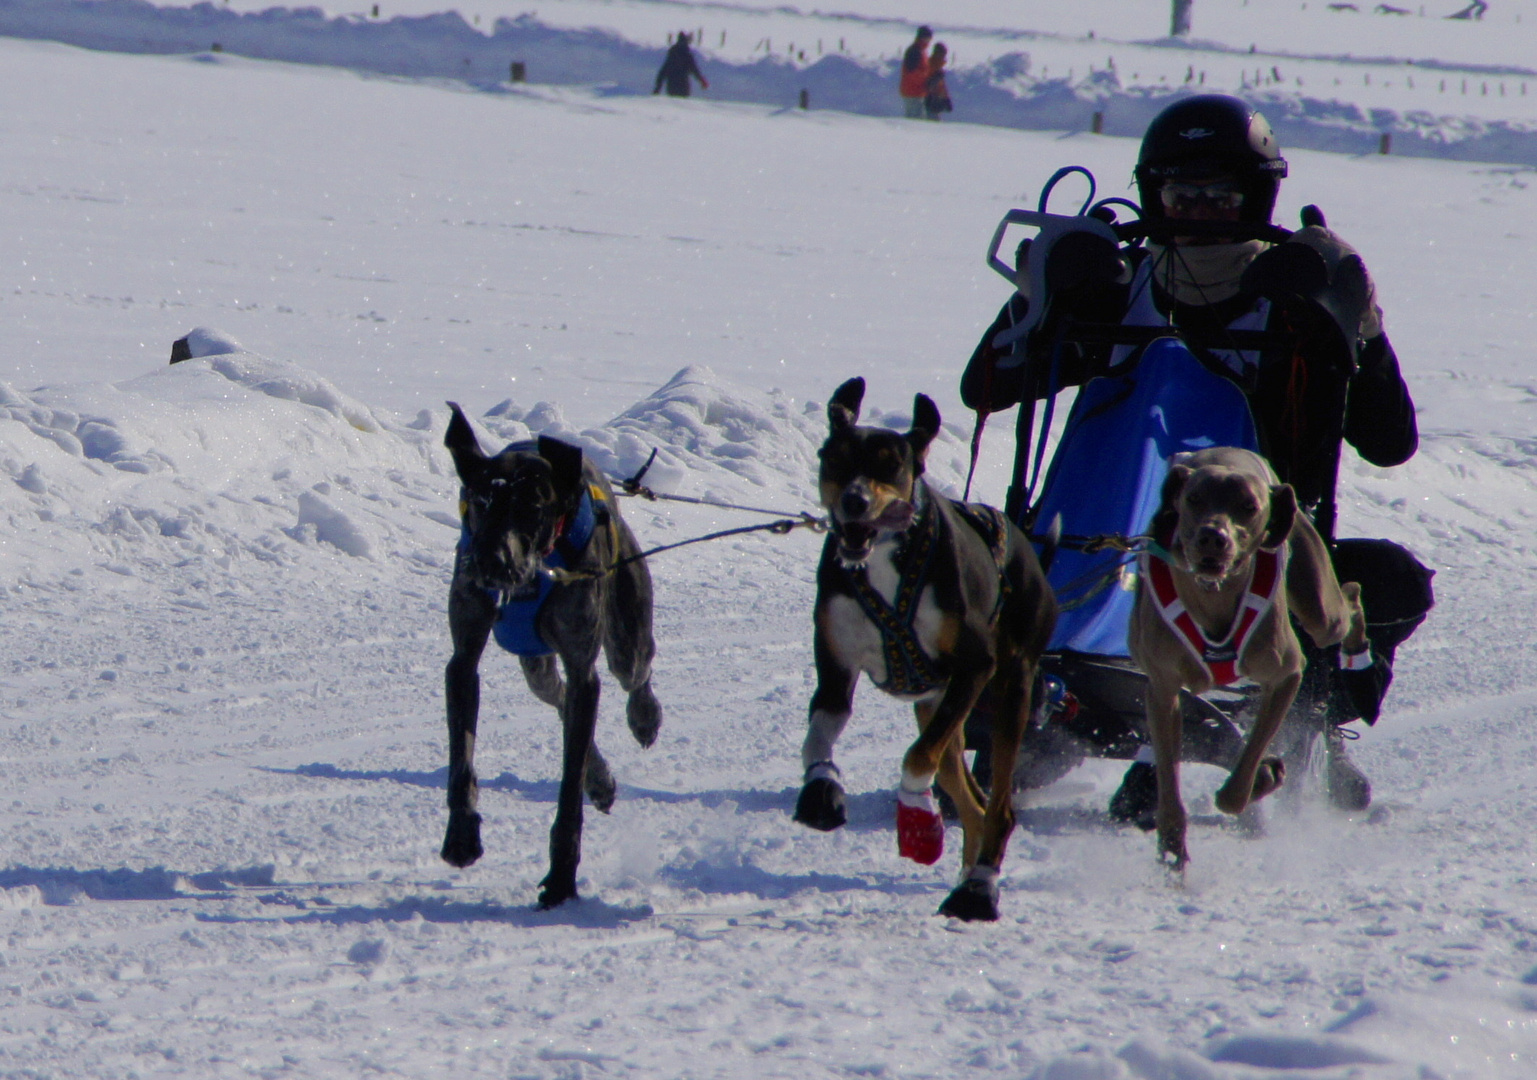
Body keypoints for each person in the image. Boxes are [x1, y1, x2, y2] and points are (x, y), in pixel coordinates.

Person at [960, 95, 1424, 820]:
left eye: (1219, 196)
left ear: (1256, 196)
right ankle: (1053, 710)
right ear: (1154, 194)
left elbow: (1390, 444)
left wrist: (1356, 325)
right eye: (1183, 195)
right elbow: (983, 391)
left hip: (1250, 566)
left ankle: (1306, 726)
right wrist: (1040, 297)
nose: (1200, 212)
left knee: (1393, 580)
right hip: (1096, 552)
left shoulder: (1294, 294)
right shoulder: (1118, 287)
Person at [654, 31, 709, 97]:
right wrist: (702, 81)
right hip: (683, 85)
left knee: (673, 104)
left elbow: (664, 71)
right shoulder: (687, 54)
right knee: (681, 104)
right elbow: (694, 70)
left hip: (671, 86)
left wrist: (658, 87)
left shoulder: (672, 54)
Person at [899, 26, 933, 119]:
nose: (929, 41)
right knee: (916, 122)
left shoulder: (922, 51)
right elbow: (912, 72)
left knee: (917, 119)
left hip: (917, 92)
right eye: (927, 38)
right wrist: (926, 81)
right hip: (912, 92)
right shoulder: (914, 51)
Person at [924, 43, 953, 121]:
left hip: (936, 102)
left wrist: (946, 99)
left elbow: (942, 87)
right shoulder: (930, 65)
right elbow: (927, 83)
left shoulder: (938, 69)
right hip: (930, 102)